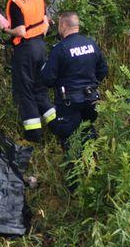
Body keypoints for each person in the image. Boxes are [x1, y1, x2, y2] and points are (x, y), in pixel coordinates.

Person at [0, 0, 56, 142]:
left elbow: (20, 31)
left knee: (25, 91)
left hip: (25, 49)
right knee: (40, 88)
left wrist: (4, 28)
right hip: (41, 46)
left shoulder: (15, 3)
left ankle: (34, 135)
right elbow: (45, 23)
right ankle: (56, 125)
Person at [41, 11, 108, 152]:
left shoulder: (60, 49)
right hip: (91, 99)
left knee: (69, 139)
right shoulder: (91, 44)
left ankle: (75, 170)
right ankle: (91, 166)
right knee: (88, 134)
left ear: (64, 25)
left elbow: (48, 79)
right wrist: (92, 83)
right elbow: (103, 70)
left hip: (69, 103)